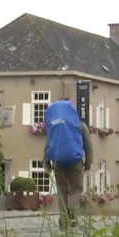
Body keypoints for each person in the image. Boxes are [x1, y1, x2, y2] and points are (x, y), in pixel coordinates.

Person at [42, 98, 93, 229]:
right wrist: (88, 163)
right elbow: (88, 145)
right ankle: (72, 215)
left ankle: (64, 218)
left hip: (58, 161)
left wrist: (46, 162)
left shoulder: (55, 124)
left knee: (62, 191)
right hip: (75, 161)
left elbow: (49, 144)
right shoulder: (79, 125)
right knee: (76, 190)